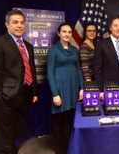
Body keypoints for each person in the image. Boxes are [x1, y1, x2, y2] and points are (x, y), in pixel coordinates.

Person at [0, 9, 38, 154]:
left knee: (17, 135)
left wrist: (34, 92)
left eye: (22, 22)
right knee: (5, 141)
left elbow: (31, 69)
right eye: (15, 22)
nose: (19, 25)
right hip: (5, 100)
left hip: (23, 98)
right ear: (7, 25)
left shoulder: (28, 46)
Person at [47, 22, 83, 154]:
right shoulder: (53, 50)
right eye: (64, 31)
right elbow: (50, 73)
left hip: (73, 88)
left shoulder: (74, 50)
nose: (67, 34)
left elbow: (78, 69)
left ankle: (71, 147)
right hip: (60, 89)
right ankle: (60, 149)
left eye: (69, 32)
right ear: (59, 33)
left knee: (71, 119)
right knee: (60, 122)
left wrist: (82, 88)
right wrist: (55, 93)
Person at [94, 17, 119, 99]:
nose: (118, 28)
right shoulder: (101, 44)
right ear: (110, 28)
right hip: (107, 89)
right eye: (115, 25)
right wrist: (100, 90)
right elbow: (97, 69)